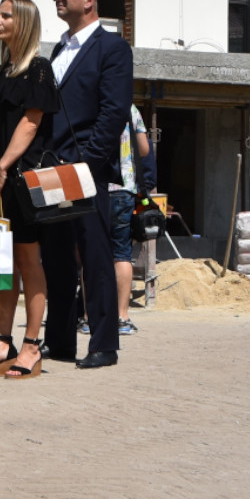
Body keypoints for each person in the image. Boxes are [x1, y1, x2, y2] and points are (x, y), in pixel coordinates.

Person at [39, 0, 133, 369]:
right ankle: (59, 341)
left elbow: (114, 112)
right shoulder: (60, 48)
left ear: (89, 1)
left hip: (85, 168)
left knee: (94, 255)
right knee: (57, 256)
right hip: (52, 166)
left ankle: (104, 344)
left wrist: (88, 162)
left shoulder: (111, 47)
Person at [0, 0, 59, 380]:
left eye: (6, 15)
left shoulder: (38, 69)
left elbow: (31, 124)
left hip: (22, 180)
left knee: (27, 260)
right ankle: (1, 342)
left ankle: (32, 345)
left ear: (22, 23)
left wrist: (2, 166)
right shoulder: (2, 71)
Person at [109, 104, 152, 335]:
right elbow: (143, 149)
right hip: (123, 189)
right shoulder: (130, 109)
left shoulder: (90, 102)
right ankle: (122, 317)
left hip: (92, 187)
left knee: (92, 254)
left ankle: (87, 317)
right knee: (121, 254)